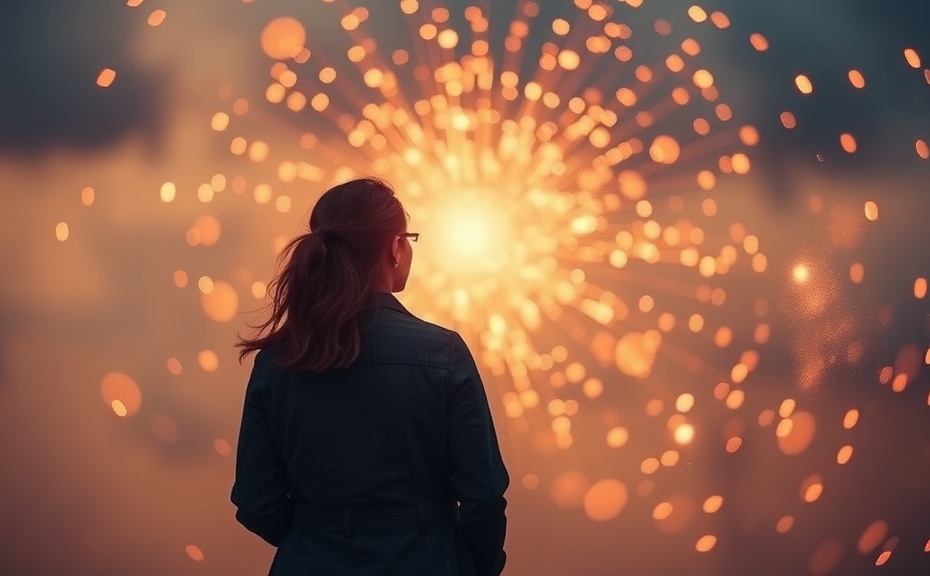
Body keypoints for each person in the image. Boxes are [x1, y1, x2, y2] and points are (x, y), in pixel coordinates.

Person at [231, 177, 509, 576]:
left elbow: (256, 502)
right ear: (395, 248)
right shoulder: (442, 353)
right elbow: (483, 496)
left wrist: (317, 537)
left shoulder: (277, 360)